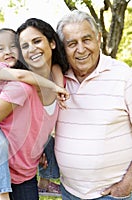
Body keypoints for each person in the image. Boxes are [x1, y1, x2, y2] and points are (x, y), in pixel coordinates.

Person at [0, 18, 69, 199]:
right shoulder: (19, 87)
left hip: (26, 174)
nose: (32, 49)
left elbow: (56, 66)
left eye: (37, 41)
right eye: (25, 45)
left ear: (53, 43)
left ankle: (46, 181)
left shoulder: (60, 79)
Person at [55, 10, 132, 200]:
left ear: (98, 39)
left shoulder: (124, 75)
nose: (80, 49)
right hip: (70, 192)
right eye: (72, 44)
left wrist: (127, 183)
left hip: (113, 194)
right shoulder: (57, 80)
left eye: (86, 39)